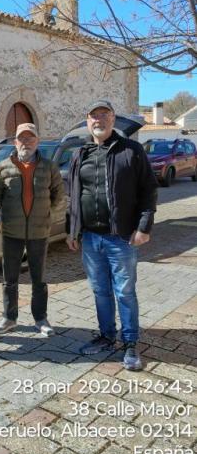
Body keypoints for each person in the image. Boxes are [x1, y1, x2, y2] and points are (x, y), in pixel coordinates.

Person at [66, 100, 157, 370]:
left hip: (121, 238)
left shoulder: (131, 150)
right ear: (88, 121)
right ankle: (107, 336)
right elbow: (73, 195)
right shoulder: (80, 153)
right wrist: (72, 230)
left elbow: (149, 189)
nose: (99, 119)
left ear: (113, 119)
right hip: (91, 238)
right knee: (100, 290)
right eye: (94, 115)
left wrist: (144, 227)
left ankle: (130, 343)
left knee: (125, 292)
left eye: (104, 114)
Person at [0, 123, 65, 336]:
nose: (26, 142)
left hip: (39, 232)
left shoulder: (49, 167)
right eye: (22, 138)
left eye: (30, 138)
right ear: (15, 142)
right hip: (11, 232)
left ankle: (40, 319)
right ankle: (9, 318)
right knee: (9, 278)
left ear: (37, 141)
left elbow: (58, 194)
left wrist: (45, 213)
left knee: (38, 279)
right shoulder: (3, 167)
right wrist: (10, 213)